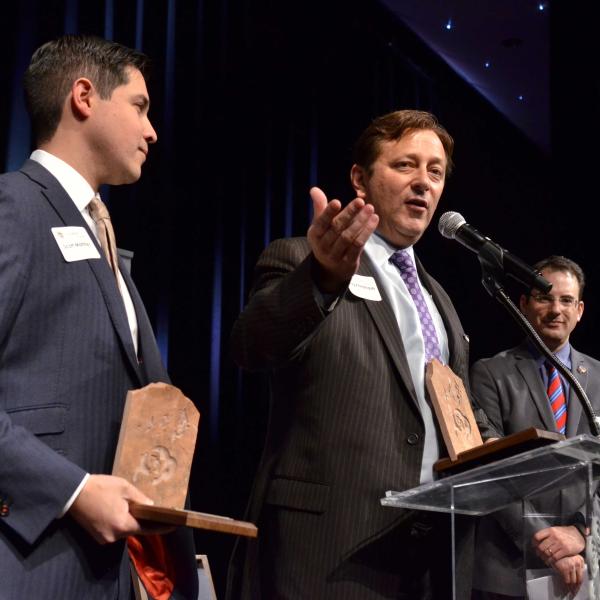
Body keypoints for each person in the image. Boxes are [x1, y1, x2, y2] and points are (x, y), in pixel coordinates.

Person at [227, 109, 497, 599]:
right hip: (330, 547)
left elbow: (453, 408)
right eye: (405, 166)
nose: (423, 183)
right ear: (360, 179)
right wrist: (321, 278)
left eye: (434, 172)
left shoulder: (441, 300)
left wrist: (508, 452)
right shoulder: (302, 260)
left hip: (428, 554)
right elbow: (252, 347)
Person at [0, 35, 197, 599]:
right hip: (34, 563)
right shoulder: (14, 208)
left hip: (110, 572)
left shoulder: (97, 230)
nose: (152, 130)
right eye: (139, 106)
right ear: (84, 96)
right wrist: (73, 491)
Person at [470, 256, 598, 598]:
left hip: (588, 566)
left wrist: (581, 534)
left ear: (580, 310)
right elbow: (487, 468)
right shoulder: (490, 373)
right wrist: (545, 540)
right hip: (506, 571)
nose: (556, 309)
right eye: (545, 297)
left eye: (567, 300)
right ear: (524, 304)